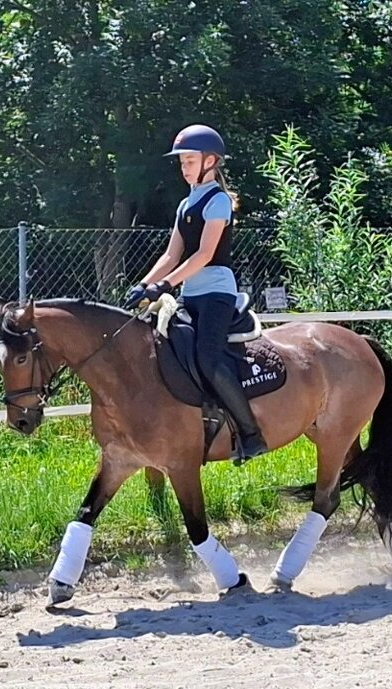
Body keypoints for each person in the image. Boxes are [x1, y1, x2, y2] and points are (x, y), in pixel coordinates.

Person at [124, 123, 268, 465]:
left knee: (207, 357)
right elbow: (171, 255)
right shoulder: (186, 203)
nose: (183, 167)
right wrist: (145, 285)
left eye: (189, 160)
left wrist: (166, 286)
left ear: (211, 161)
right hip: (190, 294)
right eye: (182, 161)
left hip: (217, 292)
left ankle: (251, 433)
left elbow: (203, 254)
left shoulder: (218, 202)